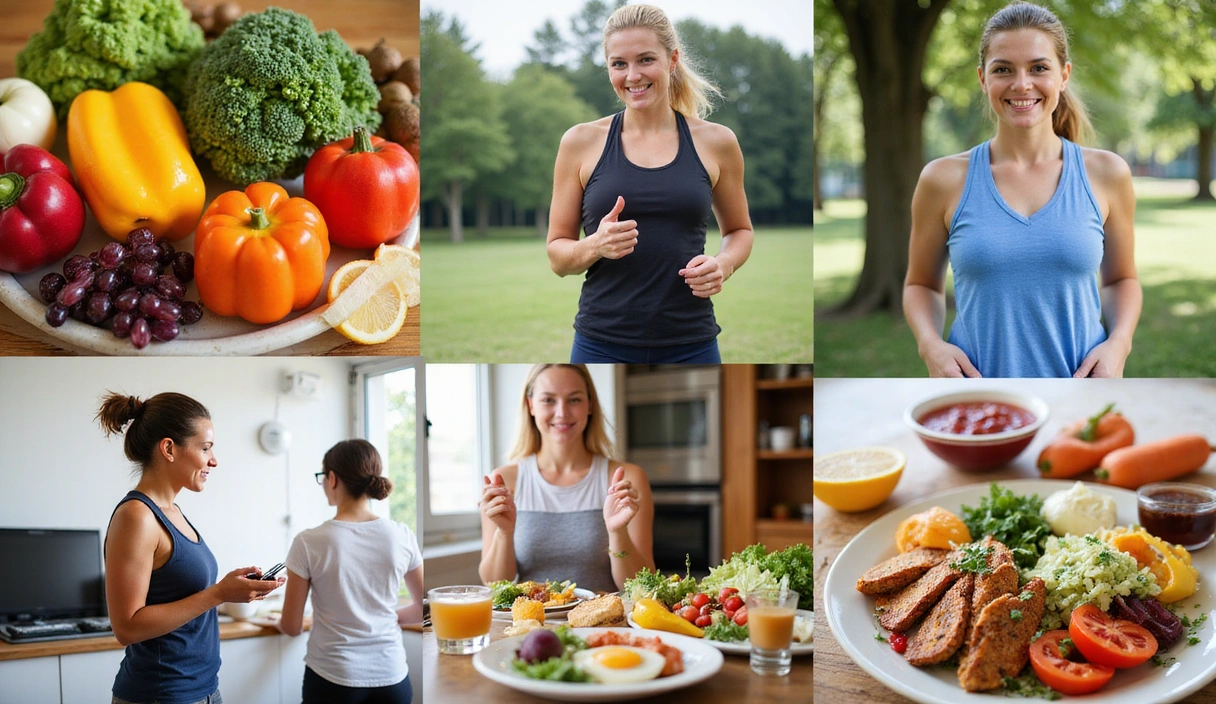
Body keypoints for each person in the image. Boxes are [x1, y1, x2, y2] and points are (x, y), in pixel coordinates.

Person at [903, 0, 1141, 378]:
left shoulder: (1107, 173)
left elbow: (1121, 279)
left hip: (1079, 391)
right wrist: (931, 346)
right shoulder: (942, 179)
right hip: (976, 395)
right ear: (983, 79)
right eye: (1003, 69)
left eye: (1038, 68)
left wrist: (1119, 345)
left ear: (1064, 75)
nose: (1021, 84)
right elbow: (921, 285)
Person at [547, 3, 754, 364]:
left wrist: (724, 264)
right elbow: (558, 256)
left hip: (692, 342)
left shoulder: (717, 142)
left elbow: (740, 230)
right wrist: (594, 245)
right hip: (600, 343)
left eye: (645, 60)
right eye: (619, 64)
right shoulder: (579, 142)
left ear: (672, 60)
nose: (632, 76)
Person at [98, 391, 284, 704]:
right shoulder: (137, 516)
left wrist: (234, 591)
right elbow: (126, 627)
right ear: (169, 448)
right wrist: (219, 593)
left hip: (203, 690)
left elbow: (183, 600)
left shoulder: (174, 512)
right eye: (206, 447)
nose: (214, 460)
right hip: (161, 695)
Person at [479, 364, 654, 593]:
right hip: (531, 626)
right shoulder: (505, 480)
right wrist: (505, 532)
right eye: (548, 400)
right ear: (530, 405)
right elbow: (493, 584)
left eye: (574, 400)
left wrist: (617, 532)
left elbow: (640, 587)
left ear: (590, 405)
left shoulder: (627, 479)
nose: (562, 412)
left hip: (603, 625)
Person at [274, 439, 423, 704]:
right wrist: (381, 617)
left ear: (332, 479)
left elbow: (292, 626)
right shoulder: (401, 535)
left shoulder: (309, 541)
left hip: (332, 679)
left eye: (322, 478)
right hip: (393, 678)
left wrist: (276, 622)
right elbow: (423, 606)